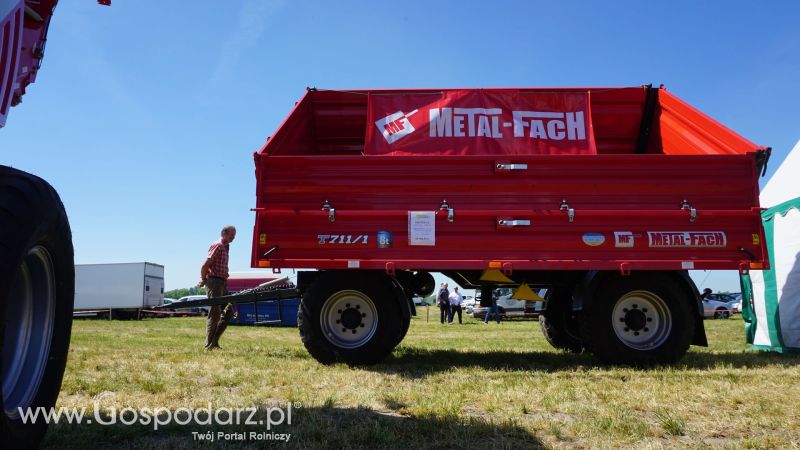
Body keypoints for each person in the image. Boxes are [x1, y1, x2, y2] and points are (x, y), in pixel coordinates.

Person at [199, 225, 236, 350]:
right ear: (224, 233)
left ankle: (214, 342)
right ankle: (208, 346)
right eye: (232, 235)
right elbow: (205, 265)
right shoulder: (218, 245)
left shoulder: (226, 247)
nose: (234, 238)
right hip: (214, 282)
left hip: (222, 283)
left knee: (229, 311)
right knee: (214, 314)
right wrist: (204, 279)